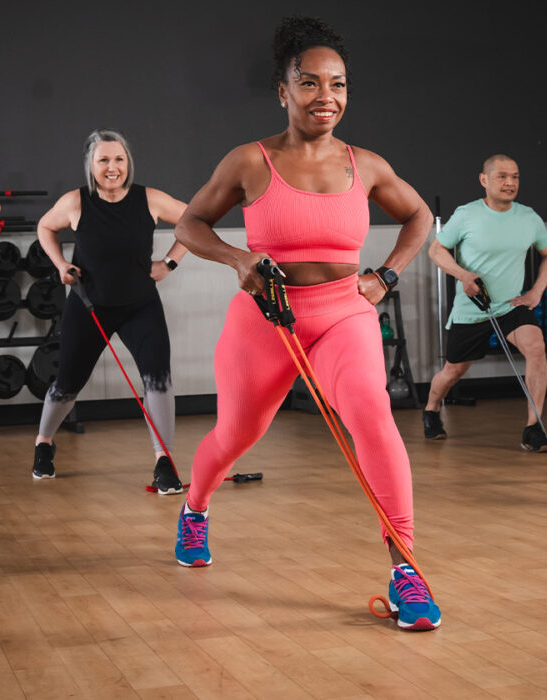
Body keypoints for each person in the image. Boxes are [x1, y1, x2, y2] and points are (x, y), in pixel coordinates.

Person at [170, 16, 441, 631]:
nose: (327, 97)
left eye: (339, 84)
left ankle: (407, 572)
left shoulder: (365, 164)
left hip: (345, 312)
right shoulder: (250, 160)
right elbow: (190, 224)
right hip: (268, 318)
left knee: (372, 416)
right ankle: (195, 506)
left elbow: (420, 216)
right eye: (311, 83)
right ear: (283, 90)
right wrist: (238, 258)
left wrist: (387, 275)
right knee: (237, 434)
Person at [31, 129, 190, 494]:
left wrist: (169, 263)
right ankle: (43, 442)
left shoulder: (149, 199)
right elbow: (44, 227)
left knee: (158, 379)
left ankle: (164, 461)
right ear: (91, 164)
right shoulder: (76, 202)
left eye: (119, 159)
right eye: (104, 160)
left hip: (140, 306)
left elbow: (194, 222)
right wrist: (60, 264)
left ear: (127, 162)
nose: (112, 167)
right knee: (68, 383)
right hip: (89, 307)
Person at [423, 155, 547, 450]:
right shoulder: (466, 215)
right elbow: (436, 250)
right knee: (454, 371)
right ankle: (431, 409)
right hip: (473, 308)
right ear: (484, 180)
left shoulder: (528, 217)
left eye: (515, 177)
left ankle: (534, 429)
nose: (510, 183)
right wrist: (462, 275)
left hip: (511, 306)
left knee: (536, 349)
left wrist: (535, 292)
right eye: (502, 177)